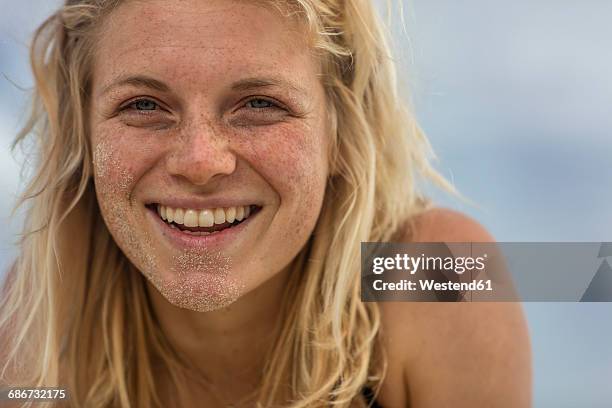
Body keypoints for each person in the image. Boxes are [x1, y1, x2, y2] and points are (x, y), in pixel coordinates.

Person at [0, 0, 531, 407]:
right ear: (83, 136)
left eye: (259, 104)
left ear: (341, 133)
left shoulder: (442, 275)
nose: (200, 160)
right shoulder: (32, 324)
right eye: (143, 105)